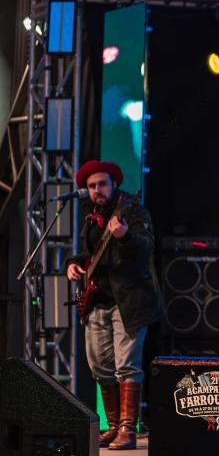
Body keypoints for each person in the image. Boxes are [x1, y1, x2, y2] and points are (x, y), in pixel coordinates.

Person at [65, 160, 162, 450]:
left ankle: (129, 429)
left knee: (127, 366)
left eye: (102, 184)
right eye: (92, 186)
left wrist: (125, 236)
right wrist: (73, 264)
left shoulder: (132, 210)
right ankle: (113, 425)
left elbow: (147, 247)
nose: (97, 190)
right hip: (97, 302)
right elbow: (87, 253)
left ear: (114, 184)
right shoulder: (90, 216)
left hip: (129, 302)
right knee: (99, 366)